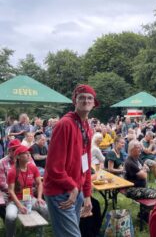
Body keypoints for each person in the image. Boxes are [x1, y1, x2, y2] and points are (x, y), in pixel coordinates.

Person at [44, 84, 97, 237]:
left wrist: (87, 194)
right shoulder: (65, 125)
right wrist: (73, 187)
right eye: (81, 98)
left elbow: (85, 164)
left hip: (76, 190)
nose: (86, 101)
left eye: (89, 98)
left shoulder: (86, 126)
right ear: (75, 101)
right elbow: (54, 167)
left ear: (94, 103)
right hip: (59, 192)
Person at [6, 145, 49, 237]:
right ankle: (10, 235)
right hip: (14, 202)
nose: (29, 155)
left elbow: (39, 183)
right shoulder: (12, 171)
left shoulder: (33, 168)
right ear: (18, 157)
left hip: (30, 199)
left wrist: (39, 197)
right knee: (10, 217)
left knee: (45, 208)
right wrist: (19, 205)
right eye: (25, 153)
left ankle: (38, 232)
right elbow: (11, 191)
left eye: (29, 153)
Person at [0, 139, 21, 220]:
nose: (16, 151)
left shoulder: (27, 159)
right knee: (1, 202)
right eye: (14, 149)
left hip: (25, 190)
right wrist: (12, 191)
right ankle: (8, 222)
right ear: (9, 151)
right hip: (7, 191)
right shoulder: (2, 162)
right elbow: (2, 183)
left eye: (18, 149)